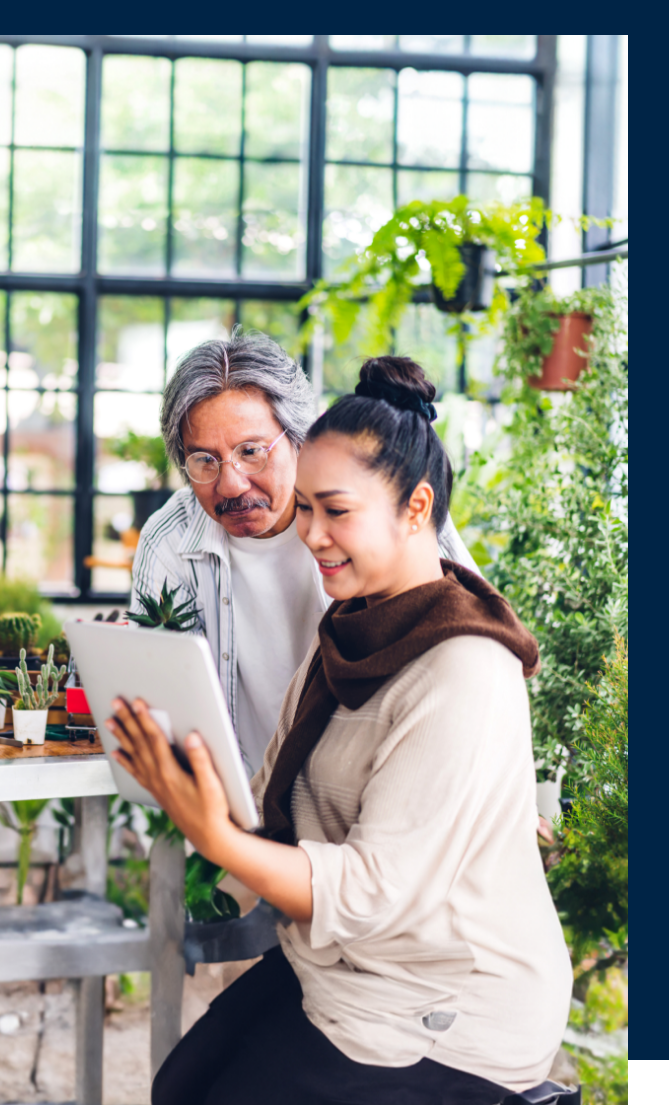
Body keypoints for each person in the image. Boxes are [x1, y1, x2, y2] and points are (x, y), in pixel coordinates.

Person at [110, 355, 573, 1105]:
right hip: (345, 958)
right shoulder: (349, 628)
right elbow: (265, 789)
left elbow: (372, 889)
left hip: (442, 997)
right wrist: (183, 778)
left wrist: (220, 838)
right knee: (178, 1087)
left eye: (335, 510)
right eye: (309, 512)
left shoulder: (461, 666)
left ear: (417, 509)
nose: (313, 535)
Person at [130, 329, 479, 773]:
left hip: (369, 791)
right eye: (204, 461)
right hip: (247, 807)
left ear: (301, 436)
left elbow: (472, 628)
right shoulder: (170, 538)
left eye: (251, 451)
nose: (231, 484)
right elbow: (156, 693)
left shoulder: (384, 508)